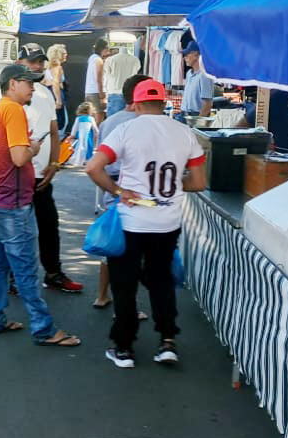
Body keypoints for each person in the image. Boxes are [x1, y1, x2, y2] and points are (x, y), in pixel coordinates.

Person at [86, 78, 207, 369]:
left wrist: (118, 191)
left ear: (136, 104)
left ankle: (124, 348)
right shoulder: (185, 132)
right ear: (163, 102)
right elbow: (200, 182)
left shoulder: (126, 129)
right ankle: (167, 341)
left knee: (124, 285)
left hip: (132, 220)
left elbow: (93, 167)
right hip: (167, 221)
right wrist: (175, 187)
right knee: (161, 281)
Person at [0, 64, 81, 347]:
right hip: (12, 202)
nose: (33, 87)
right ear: (12, 84)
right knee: (25, 268)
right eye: (28, 83)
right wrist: (33, 148)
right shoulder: (13, 111)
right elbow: (21, 158)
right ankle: (44, 329)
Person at [0, 43, 83, 293]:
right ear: (18, 64)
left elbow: (53, 131)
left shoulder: (43, 92)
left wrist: (54, 163)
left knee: (48, 226)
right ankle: (14, 279)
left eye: (40, 61)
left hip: (41, 178)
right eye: (32, 61)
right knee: (15, 233)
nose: (38, 66)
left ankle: (53, 273)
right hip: (13, 180)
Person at [91, 73, 150, 310]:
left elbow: (97, 159)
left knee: (112, 245)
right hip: (134, 190)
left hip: (109, 186)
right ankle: (126, 307)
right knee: (132, 251)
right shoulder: (142, 123)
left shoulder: (109, 121)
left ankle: (102, 295)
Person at [102, 46, 141, 118]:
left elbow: (106, 74)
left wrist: (104, 91)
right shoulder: (135, 60)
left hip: (115, 92)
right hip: (130, 93)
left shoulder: (110, 60)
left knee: (113, 121)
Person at [180, 41, 214, 119]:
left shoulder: (204, 75)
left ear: (196, 55)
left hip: (195, 115)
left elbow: (207, 103)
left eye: (187, 55)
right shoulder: (189, 73)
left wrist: (199, 121)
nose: (185, 58)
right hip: (184, 114)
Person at [44, 43, 69, 137]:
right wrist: (58, 100)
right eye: (64, 54)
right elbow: (56, 83)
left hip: (49, 95)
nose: (66, 55)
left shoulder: (47, 68)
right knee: (62, 123)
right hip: (56, 95)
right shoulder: (57, 68)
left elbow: (45, 82)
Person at [85, 38, 109, 121]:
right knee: (99, 118)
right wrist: (102, 96)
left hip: (89, 91)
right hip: (96, 92)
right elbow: (99, 79)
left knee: (91, 117)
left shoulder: (92, 58)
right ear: (104, 49)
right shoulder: (99, 61)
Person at [70, 101, 97, 167]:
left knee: (79, 147)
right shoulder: (91, 118)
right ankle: (87, 160)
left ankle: (78, 159)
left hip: (80, 135)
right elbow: (95, 128)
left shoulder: (78, 118)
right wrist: (98, 134)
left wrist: (72, 134)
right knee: (89, 147)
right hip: (88, 135)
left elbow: (75, 127)